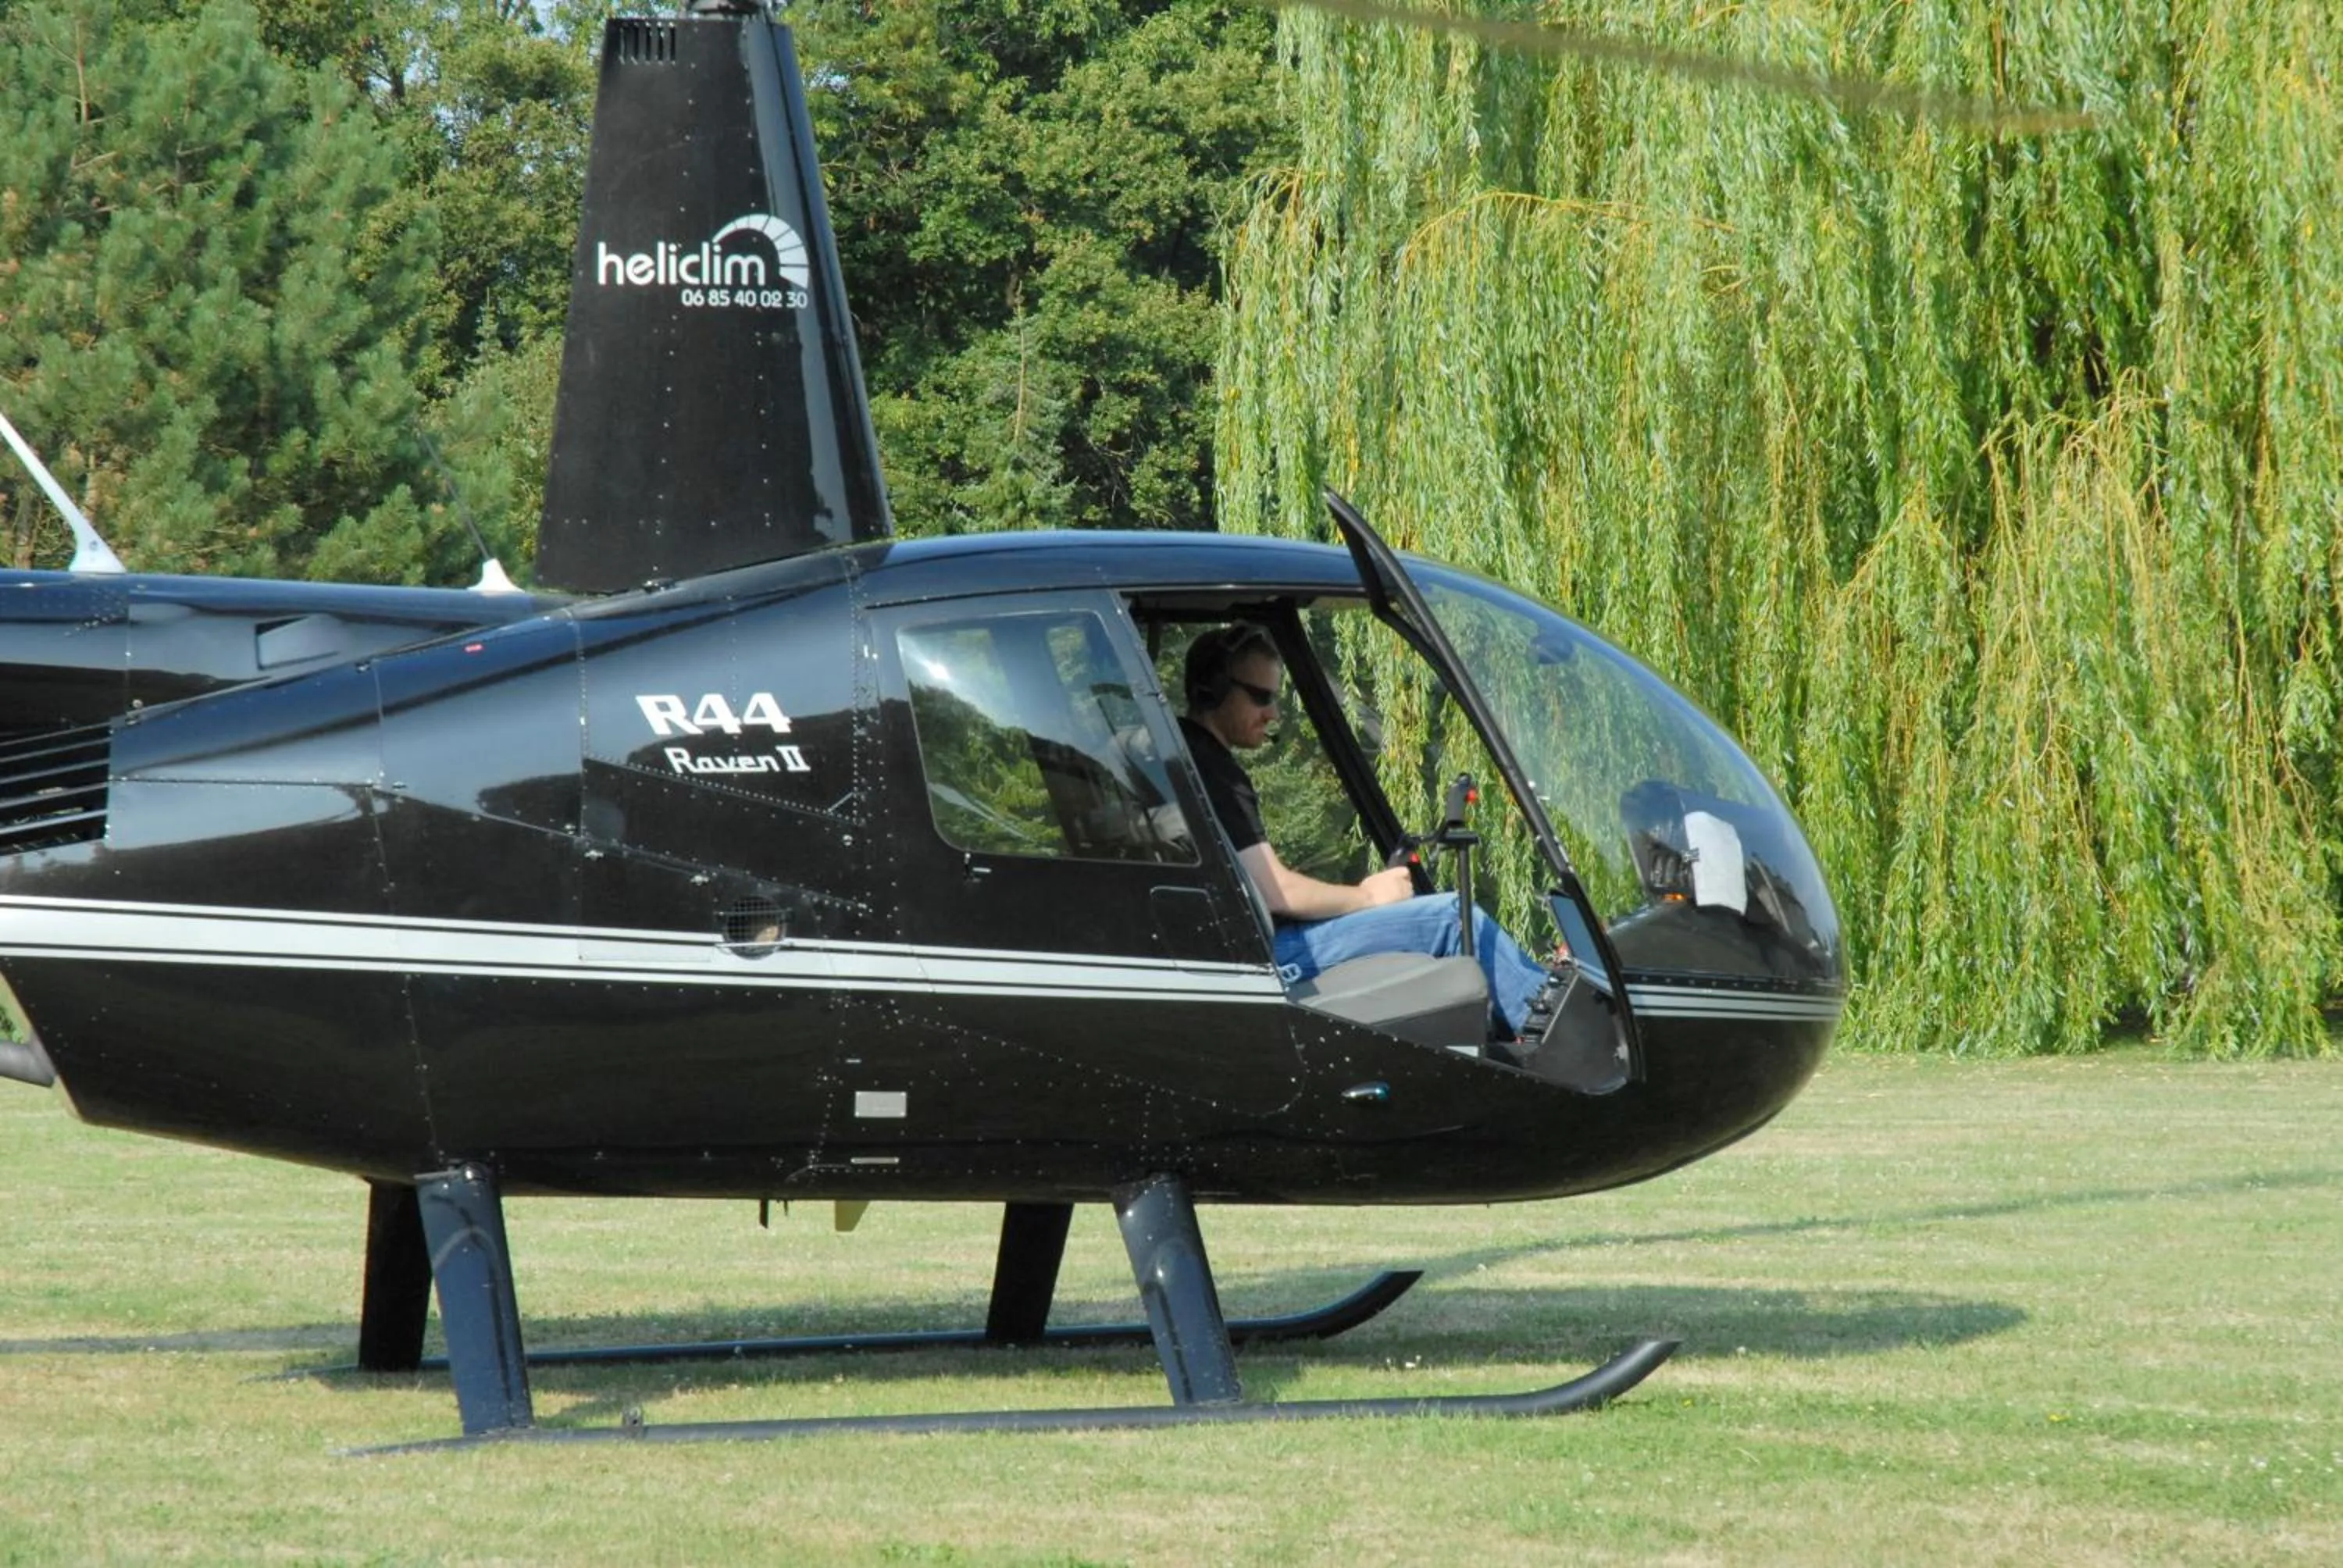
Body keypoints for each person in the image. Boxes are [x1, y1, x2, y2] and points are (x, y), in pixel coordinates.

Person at [1176, 624, 1557, 1042]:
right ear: (1213, 689)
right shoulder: (1210, 771)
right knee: (1451, 918)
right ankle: (1559, 1031)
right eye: (1261, 697)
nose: (1273, 714)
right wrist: (1369, 897)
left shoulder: (1178, 755)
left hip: (1238, 948)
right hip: (1265, 956)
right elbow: (1275, 893)